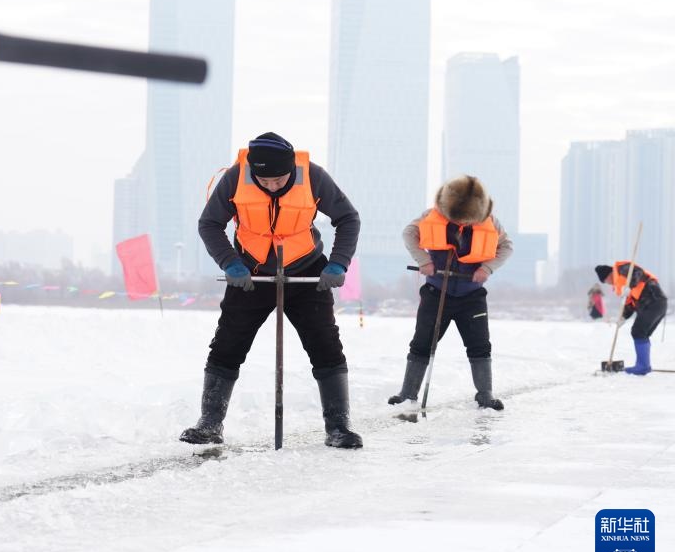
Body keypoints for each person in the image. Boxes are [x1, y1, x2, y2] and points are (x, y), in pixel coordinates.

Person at [180, 131, 363, 448]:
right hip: (250, 274)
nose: (272, 186)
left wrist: (338, 264)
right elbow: (209, 223)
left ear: (290, 168)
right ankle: (209, 423)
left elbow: (348, 218)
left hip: (307, 272)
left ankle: (339, 427)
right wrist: (230, 263)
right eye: (265, 181)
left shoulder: (313, 177)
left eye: (279, 179)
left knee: (325, 345)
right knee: (227, 344)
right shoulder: (236, 178)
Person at [390, 175, 513, 410]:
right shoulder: (430, 216)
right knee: (422, 343)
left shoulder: (492, 222)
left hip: (472, 296)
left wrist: (487, 268)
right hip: (436, 292)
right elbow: (409, 233)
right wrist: (424, 260)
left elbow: (506, 247)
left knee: (480, 345)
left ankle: (485, 394)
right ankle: (407, 393)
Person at [595, 262, 668, 375]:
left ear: (609, 274)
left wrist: (630, 285)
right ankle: (644, 365)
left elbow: (638, 272)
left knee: (638, 331)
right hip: (655, 304)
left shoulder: (622, 269)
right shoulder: (622, 285)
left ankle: (642, 366)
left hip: (654, 300)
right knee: (641, 333)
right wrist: (622, 317)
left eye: (608, 281)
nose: (610, 283)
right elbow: (631, 304)